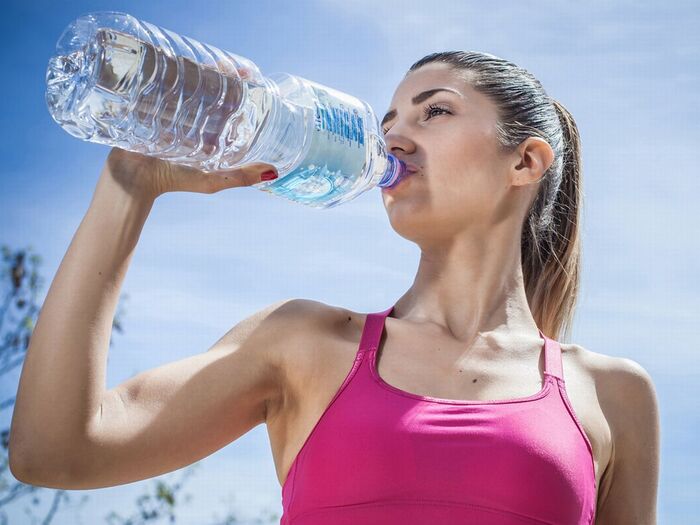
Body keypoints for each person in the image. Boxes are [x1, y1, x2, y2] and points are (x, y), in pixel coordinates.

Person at [9, 51, 659, 524]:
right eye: (389, 118)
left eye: (435, 111)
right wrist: (130, 184)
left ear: (525, 160)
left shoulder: (611, 393)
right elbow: (54, 450)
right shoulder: (302, 342)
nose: (394, 136)